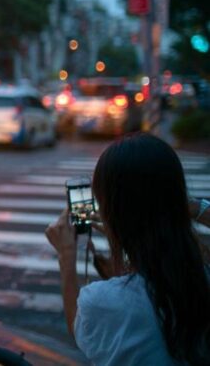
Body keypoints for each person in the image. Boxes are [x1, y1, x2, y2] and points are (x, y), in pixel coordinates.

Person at [46, 133, 210, 365]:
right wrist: (191, 207)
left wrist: (66, 256)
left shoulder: (105, 301)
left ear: (111, 214)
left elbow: (78, 328)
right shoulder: (202, 277)